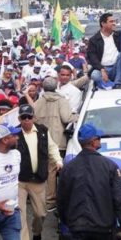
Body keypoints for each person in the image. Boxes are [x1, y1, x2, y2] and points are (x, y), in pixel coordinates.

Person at [57, 123, 121, 240]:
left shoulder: (68, 168)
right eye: (98, 138)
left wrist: (67, 222)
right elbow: (120, 199)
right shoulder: (109, 166)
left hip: (76, 230)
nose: (100, 140)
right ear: (92, 142)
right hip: (103, 229)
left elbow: (61, 200)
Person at [16, 104, 63, 240]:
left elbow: (52, 147)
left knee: (41, 213)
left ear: (34, 117)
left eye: (29, 117)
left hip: (39, 180)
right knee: (20, 214)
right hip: (20, 180)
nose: (26, 120)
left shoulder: (43, 131)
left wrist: (58, 161)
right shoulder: (15, 134)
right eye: (23, 117)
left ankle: (37, 233)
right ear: (19, 119)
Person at [33, 77, 77, 211]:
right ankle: (51, 200)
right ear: (56, 86)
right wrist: (76, 116)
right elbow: (67, 118)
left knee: (46, 170)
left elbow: (33, 119)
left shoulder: (38, 102)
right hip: (58, 141)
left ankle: (44, 199)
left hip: (41, 140)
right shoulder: (61, 100)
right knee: (56, 171)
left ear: (43, 87)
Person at [0, 124, 22, 240]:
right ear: (5, 140)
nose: (17, 138)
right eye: (14, 135)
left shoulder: (17, 155)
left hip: (12, 213)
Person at [86, 12, 121, 88]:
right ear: (103, 24)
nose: (114, 23)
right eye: (111, 21)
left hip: (117, 68)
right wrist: (102, 69)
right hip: (102, 69)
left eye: (114, 21)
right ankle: (110, 84)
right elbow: (92, 58)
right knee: (94, 75)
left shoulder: (119, 35)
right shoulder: (94, 40)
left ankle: (117, 83)